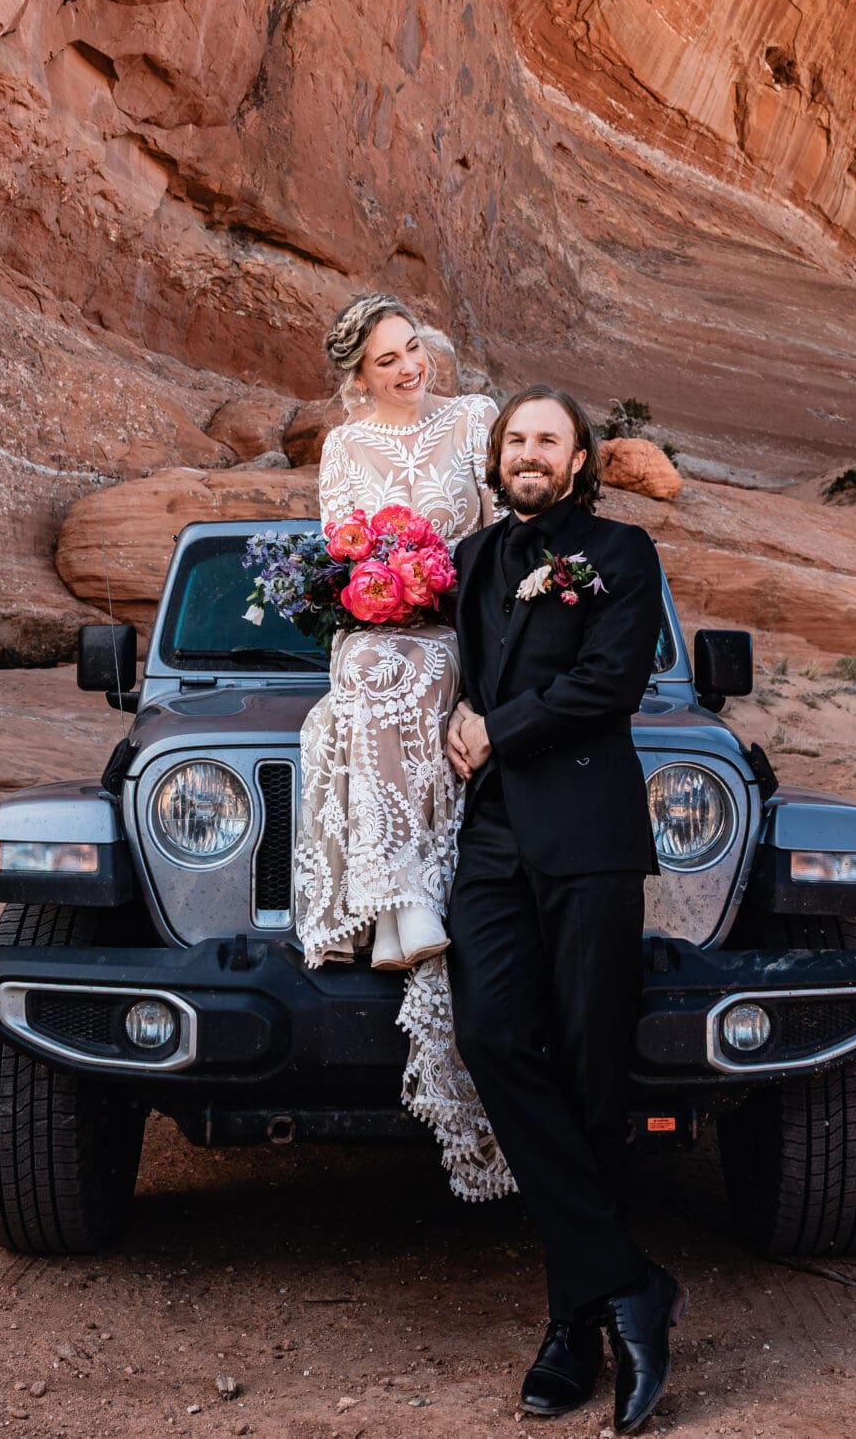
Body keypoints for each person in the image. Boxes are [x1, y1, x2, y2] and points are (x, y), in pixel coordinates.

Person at [443, 385, 683, 1432]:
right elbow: (449, 667)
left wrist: (499, 728)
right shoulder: (469, 561)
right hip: (490, 836)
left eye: (547, 438)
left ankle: (569, 1329)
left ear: (580, 460)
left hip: (585, 831)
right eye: (514, 439)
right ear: (495, 459)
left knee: (591, 1072)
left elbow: (607, 684)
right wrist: (454, 707)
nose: (528, 452)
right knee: (492, 1035)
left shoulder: (619, 558)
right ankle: (630, 1282)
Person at [293, 293, 512, 1202]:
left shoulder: (474, 420)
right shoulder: (343, 448)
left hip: (469, 628)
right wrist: (381, 591)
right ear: (358, 378)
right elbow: (341, 556)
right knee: (370, 673)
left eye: (413, 348)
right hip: (382, 628)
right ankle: (401, 904)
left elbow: (507, 534)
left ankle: (398, 904)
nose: (410, 367)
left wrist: (446, 595)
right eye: (388, 360)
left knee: (394, 679)